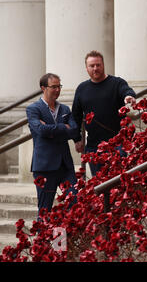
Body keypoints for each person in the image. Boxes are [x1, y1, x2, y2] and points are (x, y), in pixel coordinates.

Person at [72, 50, 136, 176]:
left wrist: (129, 96)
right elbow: (76, 115)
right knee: (100, 185)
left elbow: (126, 90)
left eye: (98, 65)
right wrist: (77, 139)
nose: (95, 68)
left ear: (103, 65)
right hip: (93, 146)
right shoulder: (82, 88)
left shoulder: (117, 83)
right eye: (92, 66)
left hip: (118, 144)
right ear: (86, 68)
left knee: (118, 182)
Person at [26, 73, 79, 220]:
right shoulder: (33, 109)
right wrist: (63, 128)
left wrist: (52, 129)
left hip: (65, 166)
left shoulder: (65, 110)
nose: (57, 90)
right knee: (44, 211)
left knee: (74, 202)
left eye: (59, 86)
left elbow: (74, 130)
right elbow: (40, 130)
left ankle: (68, 240)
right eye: (53, 87)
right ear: (43, 88)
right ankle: (42, 243)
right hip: (44, 167)